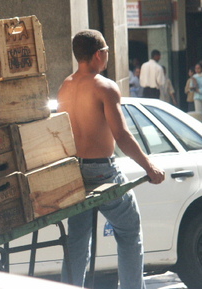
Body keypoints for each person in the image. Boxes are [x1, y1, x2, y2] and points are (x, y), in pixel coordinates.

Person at [57, 30, 165, 289]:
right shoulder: (104, 86)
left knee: (77, 241)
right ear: (98, 54)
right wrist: (149, 166)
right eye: (106, 50)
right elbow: (122, 135)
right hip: (102, 171)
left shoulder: (65, 86)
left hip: (74, 171)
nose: (107, 55)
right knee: (129, 232)